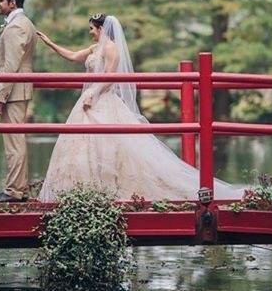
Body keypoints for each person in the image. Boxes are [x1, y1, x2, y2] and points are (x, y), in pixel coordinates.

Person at [36, 13, 242, 202]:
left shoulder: (110, 49)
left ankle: (110, 188)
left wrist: (94, 93)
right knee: (83, 144)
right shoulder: (94, 48)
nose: (90, 32)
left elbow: (110, 77)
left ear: (101, 29)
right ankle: (83, 189)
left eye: (92, 28)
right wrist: (49, 43)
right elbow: (73, 56)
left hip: (102, 99)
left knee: (110, 145)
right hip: (89, 99)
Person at [0, 0, 37, 202]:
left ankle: (14, 191)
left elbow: (10, 65)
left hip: (14, 91)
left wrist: (0, 96)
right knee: (16, 140)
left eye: (1, 0)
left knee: (14, 142)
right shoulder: (23, 23)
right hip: (18, 89)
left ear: (13, 3)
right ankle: (19, 189)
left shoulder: (16, 27)